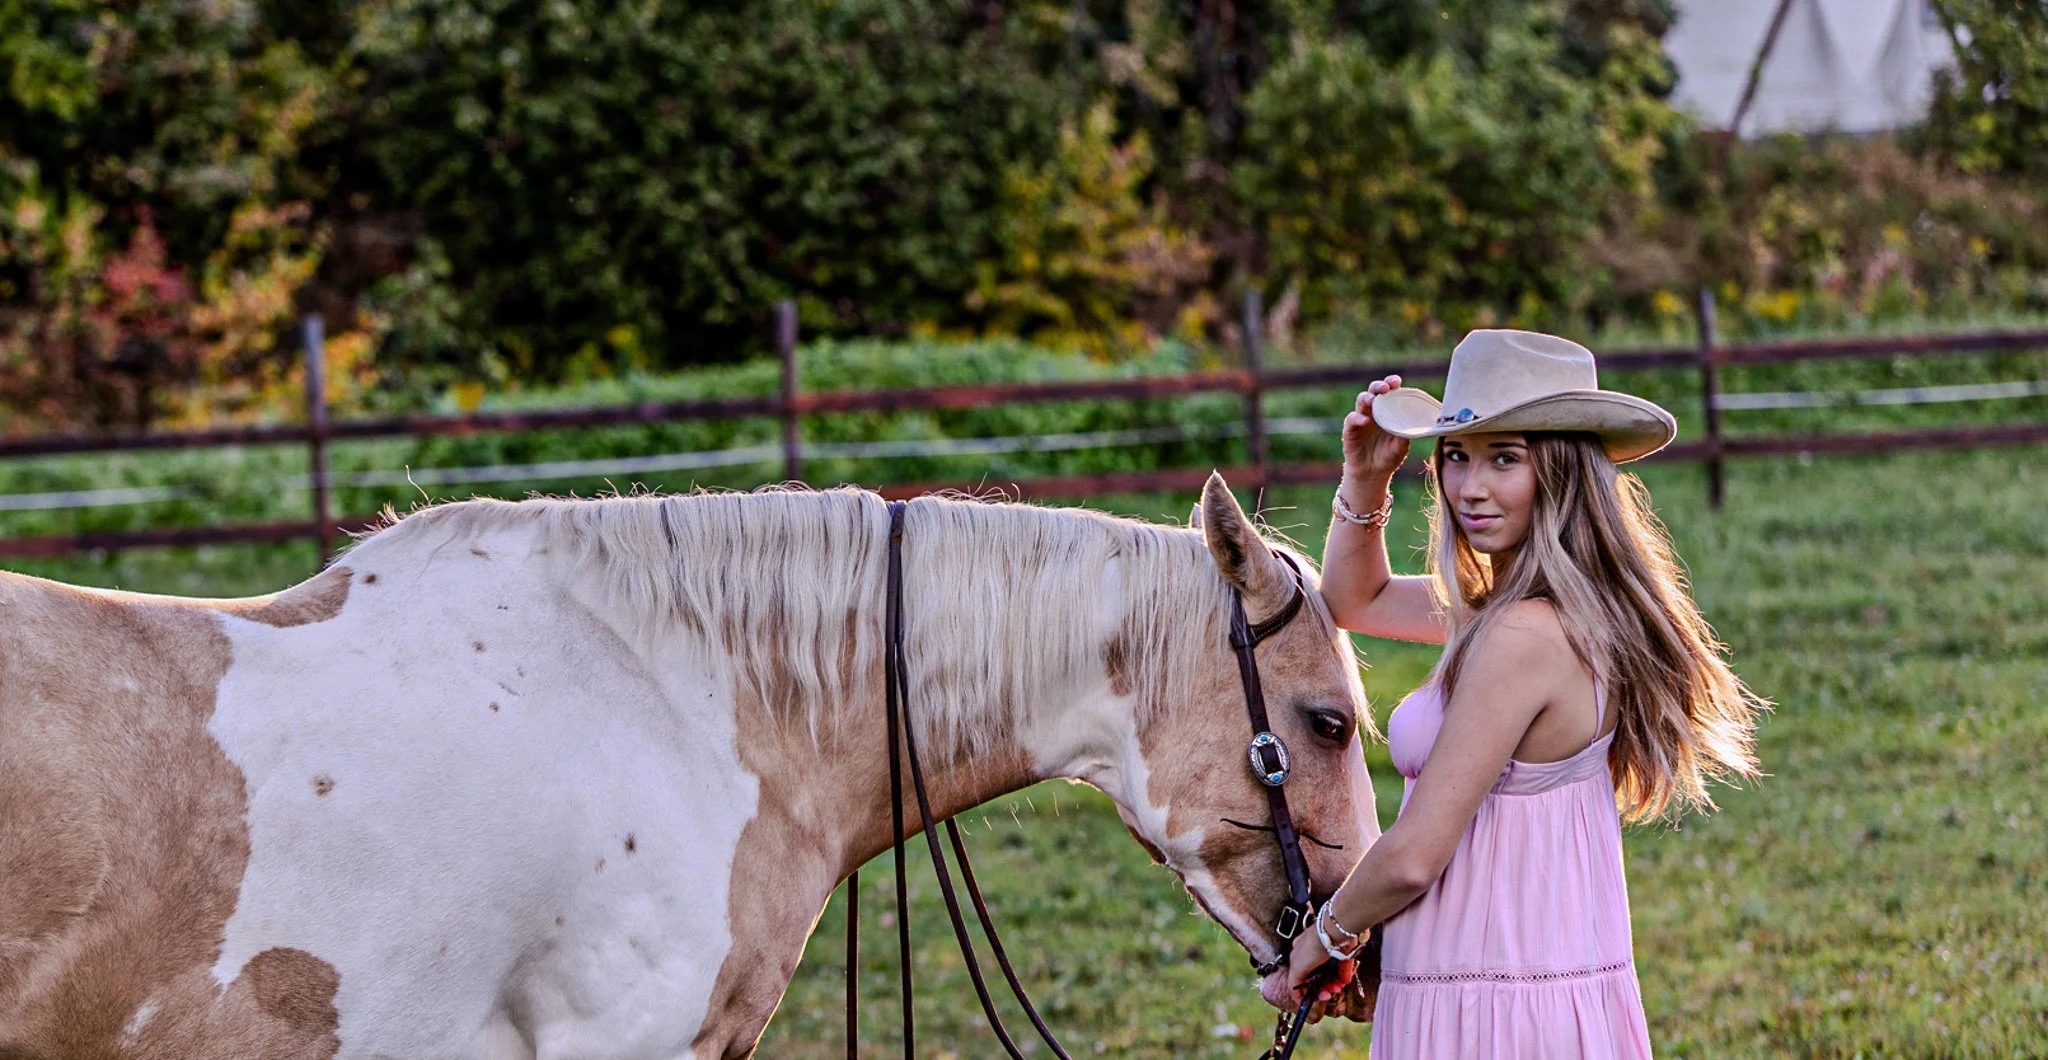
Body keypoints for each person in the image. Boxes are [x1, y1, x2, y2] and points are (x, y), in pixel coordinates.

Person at [1271, 330, 1768, 1057]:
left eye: (1506, 458)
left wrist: (1324, 937)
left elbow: (1414, 857)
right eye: (1457, 458)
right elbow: (1357, 598)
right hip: (1511, 986)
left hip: (1494, 1008)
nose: (1470, 488)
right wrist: (1367, 478)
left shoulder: (1523, 635)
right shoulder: (1520, 609)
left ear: (1563, 470)